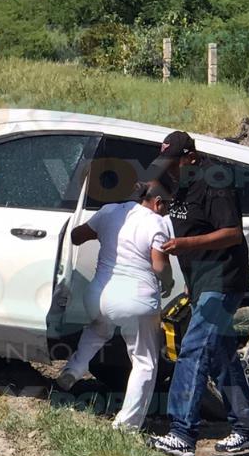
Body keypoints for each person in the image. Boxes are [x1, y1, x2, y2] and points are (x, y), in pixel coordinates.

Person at [147, 131, 249, 456]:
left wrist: (185, 246)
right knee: (221, 355)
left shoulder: (215, 180)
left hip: (223, 278)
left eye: (173, 163)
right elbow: (190, 225)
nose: (169, 169)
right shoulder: (180, 184)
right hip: (201, 281)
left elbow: (232, 233)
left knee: (194, 349)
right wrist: (190, 280)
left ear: (191, 157)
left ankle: (182, 434)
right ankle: (248, 426)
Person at [56, 180, 174, 431]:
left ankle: (73, 370)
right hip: (136, 300)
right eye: (167, 205)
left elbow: (76, 236)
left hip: (99, 295)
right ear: (157, 203)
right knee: (144, 361)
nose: (167, 210)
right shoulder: (157, 222)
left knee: (98, 330)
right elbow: (159, 265)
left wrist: (104, 232)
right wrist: (169, 281)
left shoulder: (109, 212)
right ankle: (127, 424)